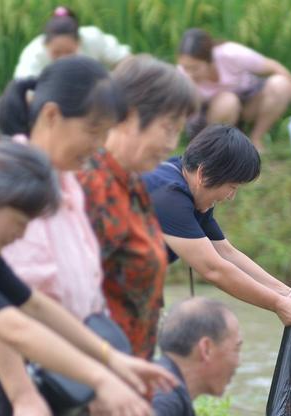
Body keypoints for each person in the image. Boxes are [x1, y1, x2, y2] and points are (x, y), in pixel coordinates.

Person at [0, 55, 168, 416]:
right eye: (92, 131)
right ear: (51, 115)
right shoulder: (13, 186)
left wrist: (102, 375)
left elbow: (85, 297)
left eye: (104, 132)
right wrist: (23, 395)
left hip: (70, 376)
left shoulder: (66, 182)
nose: (97, 145)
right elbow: (3, 308)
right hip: (26, 379)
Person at [77, 54, 199, 360]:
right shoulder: (90, 188)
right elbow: (66, 302)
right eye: (168, 128)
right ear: (130, 116)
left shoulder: (134, 186)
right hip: (94, 378)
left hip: (128, 373)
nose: (173, 145)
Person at [143, 125, 291, 327]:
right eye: (232, 187)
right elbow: (214, 269)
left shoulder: (190, 187)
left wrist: (287, 293)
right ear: (203, 174)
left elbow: (225, 252)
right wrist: (277, 304)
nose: (231, 197)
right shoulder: (168, 195)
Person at [152, 297, 254, 416]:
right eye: (236, 349)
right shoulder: (164, 398)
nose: (238, 362)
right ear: (206, 349)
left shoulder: (165, 384)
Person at [177, 28, 291, 152]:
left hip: (246, 104)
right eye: (185, 68)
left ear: (210, 60)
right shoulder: (182, 76)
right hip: (211, 119)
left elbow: (276, 67)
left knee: (281, 84)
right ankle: (216, 148)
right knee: (228, 101)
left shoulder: (230, 54)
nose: (189, 73)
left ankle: (255, 139)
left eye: (194, 68)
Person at [13, 5, 131, 79]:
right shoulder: (33, 54)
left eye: (69, 52)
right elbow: (24, 92)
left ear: (80, 41)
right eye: (57, 53)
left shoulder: (93, 38)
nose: (63, 59)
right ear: (45, 45)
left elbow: (127, 61)